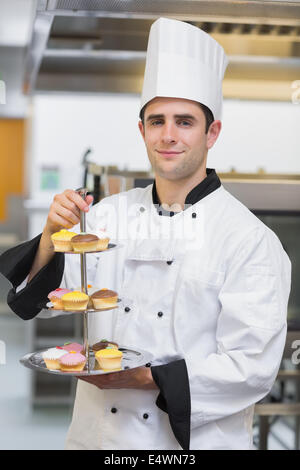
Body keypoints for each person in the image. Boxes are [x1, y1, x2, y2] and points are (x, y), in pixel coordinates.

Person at [0, 18, 291, 450]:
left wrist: (143, 377)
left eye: (184, 122)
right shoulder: (104, 218)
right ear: (142, 130)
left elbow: (251, 368)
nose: (168, 136)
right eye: (156, 121)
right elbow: (43, 304)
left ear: (213, 133)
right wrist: (51, 236)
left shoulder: (249, 239)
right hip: (96, 440)